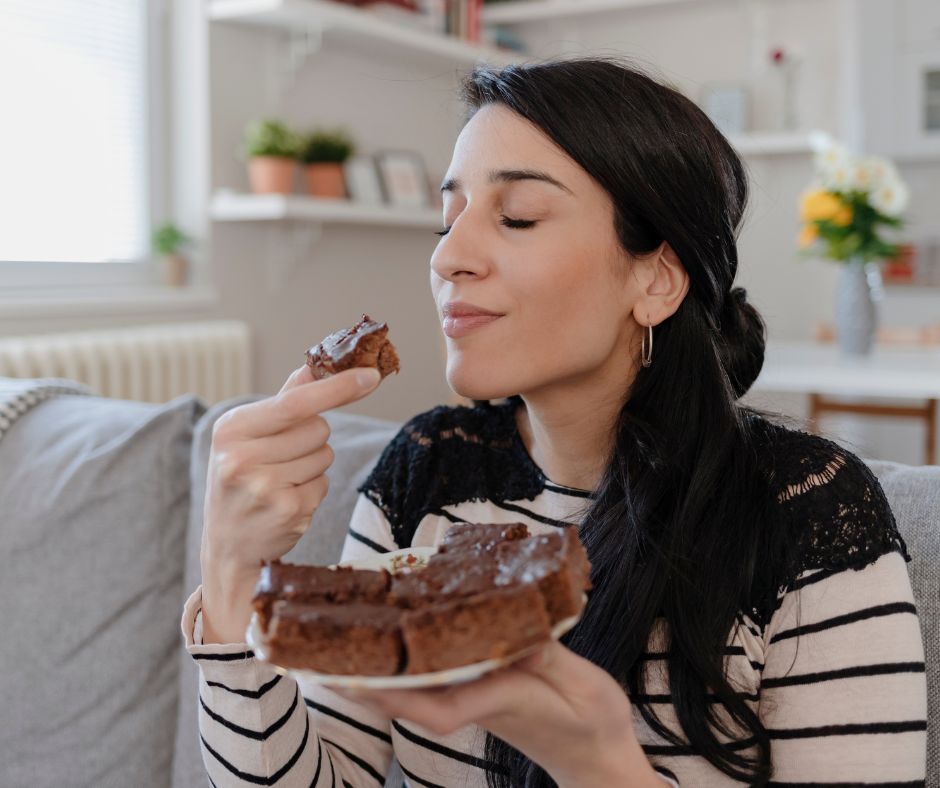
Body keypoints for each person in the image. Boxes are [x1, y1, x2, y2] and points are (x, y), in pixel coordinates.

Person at [182, 57, 927, 787]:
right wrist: (227, 570)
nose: (449, 257)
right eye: (448, 219)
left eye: (517, 216)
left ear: (656, 279)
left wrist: (594, 766)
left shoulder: (807, 513)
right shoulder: (427, 471)